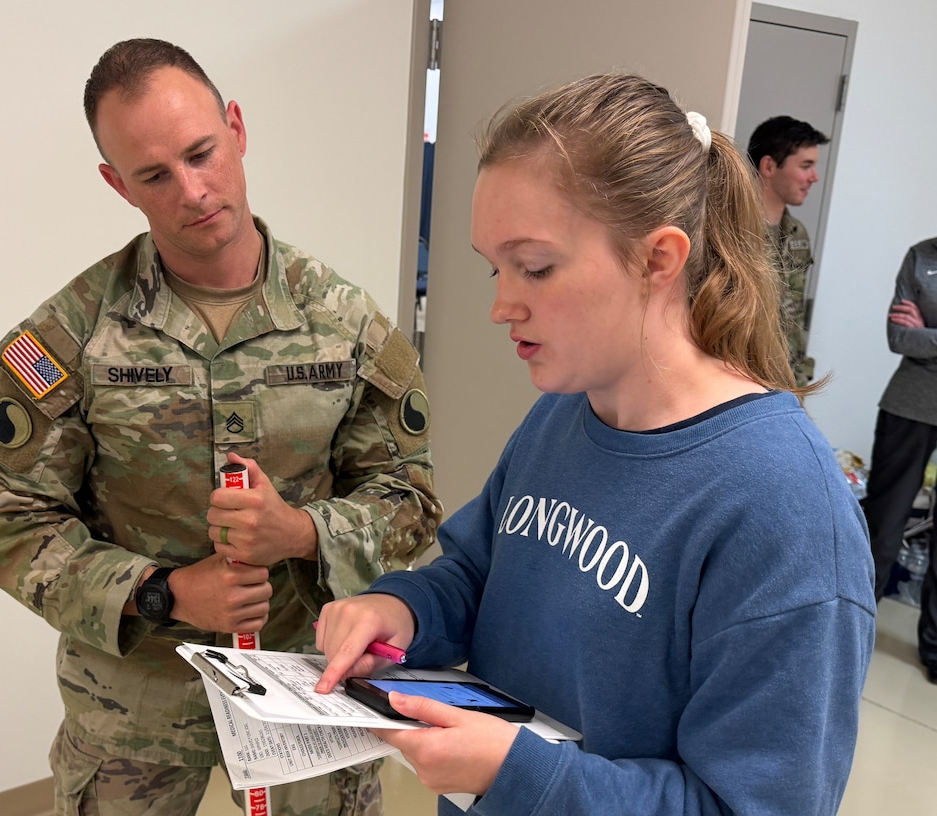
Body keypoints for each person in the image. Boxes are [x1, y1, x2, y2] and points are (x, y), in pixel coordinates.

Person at [314, 75, 875, 814]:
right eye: (495, 267)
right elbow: (482, 574)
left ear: (658, 259)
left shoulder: (786, 510)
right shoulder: (567, 412)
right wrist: (404, 609)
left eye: (536, 267)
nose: (500, 305)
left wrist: (516, 774)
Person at [0, 38, 441, 816]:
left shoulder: (344, 324)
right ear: (118, 184)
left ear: (237, 129)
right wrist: (165, 593)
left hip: (304, 677)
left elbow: (410, 500)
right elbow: (7, 520)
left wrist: (303, 533)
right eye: (155, 174)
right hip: (137, 706)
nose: (193, 190)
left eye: (202, 153)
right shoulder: (69, 339)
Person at [863, 237, 937, 683]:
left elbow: (915, 337)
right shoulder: (921, 256)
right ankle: (850, 628)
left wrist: (926, 332)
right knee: (882, 528)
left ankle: (934, 649)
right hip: (908, 406)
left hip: (915, 388)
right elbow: (897, 336)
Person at [747, 115, 829, 386]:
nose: (814, 177)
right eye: (806, 166)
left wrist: (799, 380)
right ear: (769, 166)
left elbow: (795, 315)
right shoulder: (729, 228)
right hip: (738, 381)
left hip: (786, 381)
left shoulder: (797, 234)